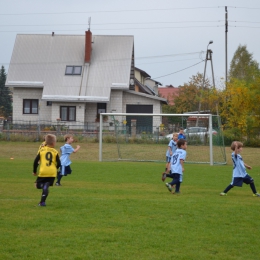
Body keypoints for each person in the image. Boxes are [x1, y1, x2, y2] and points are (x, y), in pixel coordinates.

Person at [33, 134, 61, 206]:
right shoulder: (55, 152)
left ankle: (42, 199)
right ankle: (42, 202)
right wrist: (55, 169)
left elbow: (36, 161)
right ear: (53, 143)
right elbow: (59, 163)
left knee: (37, 185)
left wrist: (34, 171)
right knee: (46, 185)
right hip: (52, 172)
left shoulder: (42, 150)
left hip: (43, 171)